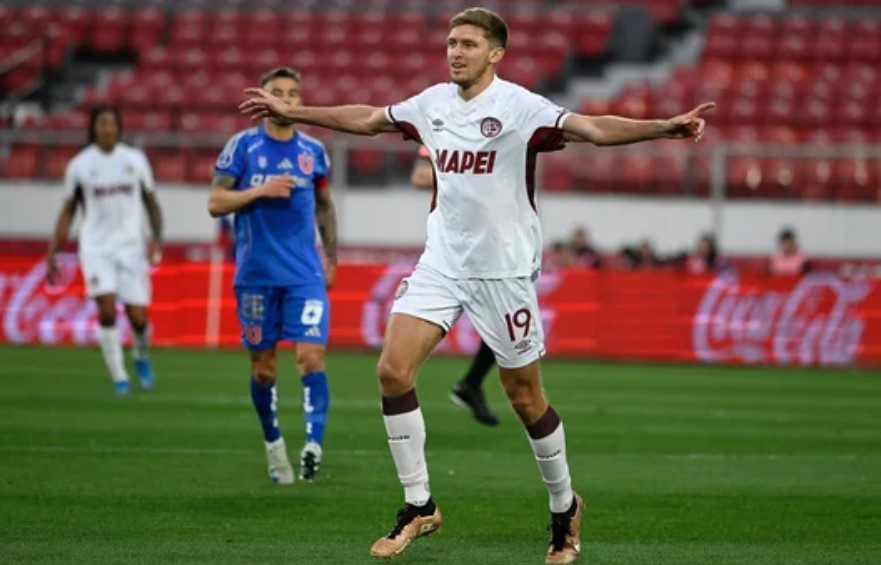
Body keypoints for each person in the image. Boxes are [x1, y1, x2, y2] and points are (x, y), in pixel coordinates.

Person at [240, 8, 712, 563]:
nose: (455, 51)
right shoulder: (432, 102)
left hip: (503, 271)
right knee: (393, 371)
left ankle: (564, 507)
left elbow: (589, 127)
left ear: (495, 53)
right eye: (451, 42)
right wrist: (295, 111)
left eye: (467, 43)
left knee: (524, 396)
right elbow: (369, 118)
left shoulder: (520, 107)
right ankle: (419, 505)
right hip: (442, 261)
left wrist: (662, 126)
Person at [209, 67, 336, 484]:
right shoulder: (241, 148)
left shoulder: (314, 151)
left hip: (304, 275)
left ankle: (314, 444)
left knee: (310, 357)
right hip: (256, 275)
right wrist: (258, 191)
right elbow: (215, 202)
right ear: (262, 101)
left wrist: (331, 258)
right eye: (277, 92)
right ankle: (274, 444)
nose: (286, 99)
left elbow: (324, 207)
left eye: (293, 93)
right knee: (264, 369)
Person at [46, 106, 162, 396]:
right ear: (94, 128)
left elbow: (151, 201)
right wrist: (54, 250)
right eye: (102, 123)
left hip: (131, 248)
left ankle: (140, 356)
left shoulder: (135, 160)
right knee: (107, 311)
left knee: (139, 318)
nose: (107, 128)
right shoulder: (80, 166)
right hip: (97, 249)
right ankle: (119, 376)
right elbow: (68, 209)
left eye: (111, 122)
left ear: (119, 127)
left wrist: (157, 239)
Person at [411, 145, 500, 427]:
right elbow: (420, 177)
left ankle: (471, 384)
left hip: (488, 243)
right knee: (424, 326)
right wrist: (466, 176)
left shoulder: (498, 133)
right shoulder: (444, 131)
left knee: (502, 327)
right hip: (449, 249)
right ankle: (399, 384)